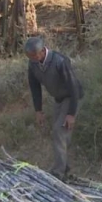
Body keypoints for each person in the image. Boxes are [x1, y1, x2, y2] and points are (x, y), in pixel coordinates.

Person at [24, 36, 84, 181]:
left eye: (33, 56)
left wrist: (71, 114)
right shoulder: (33, 64)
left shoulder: (59, 61)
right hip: (58, 99)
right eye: (29, 57)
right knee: (60, 133)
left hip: (72, 97)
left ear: (42, 51)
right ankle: (65, 168)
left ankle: (58, 172)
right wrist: (38, 110)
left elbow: (73, 87)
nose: (31, 59)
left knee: (59, 130)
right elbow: (35, 87)